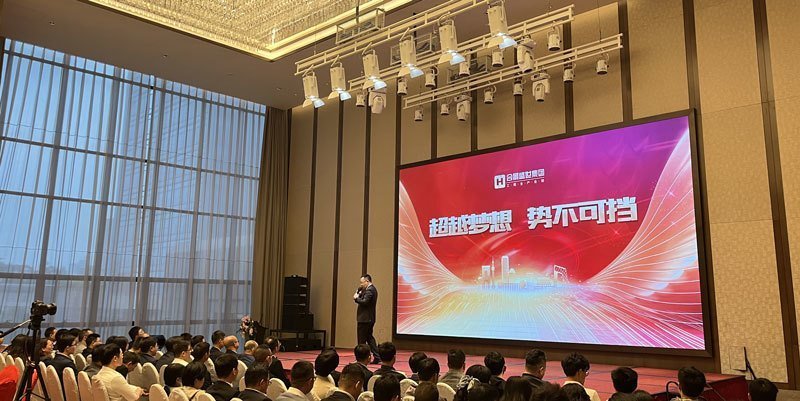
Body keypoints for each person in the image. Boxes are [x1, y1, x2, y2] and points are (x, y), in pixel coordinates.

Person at [354, 274, 380, 363]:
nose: (361, 284)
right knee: (369, 338)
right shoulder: (369, 289)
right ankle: (377, 356)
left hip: (365, 319)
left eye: (362, 283)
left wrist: (356, 299)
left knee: (361, 340)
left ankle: (360, 358)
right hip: (369, 318)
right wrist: (358, 292)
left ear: (367, 281)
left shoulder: (370, 290)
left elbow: (365, 302)